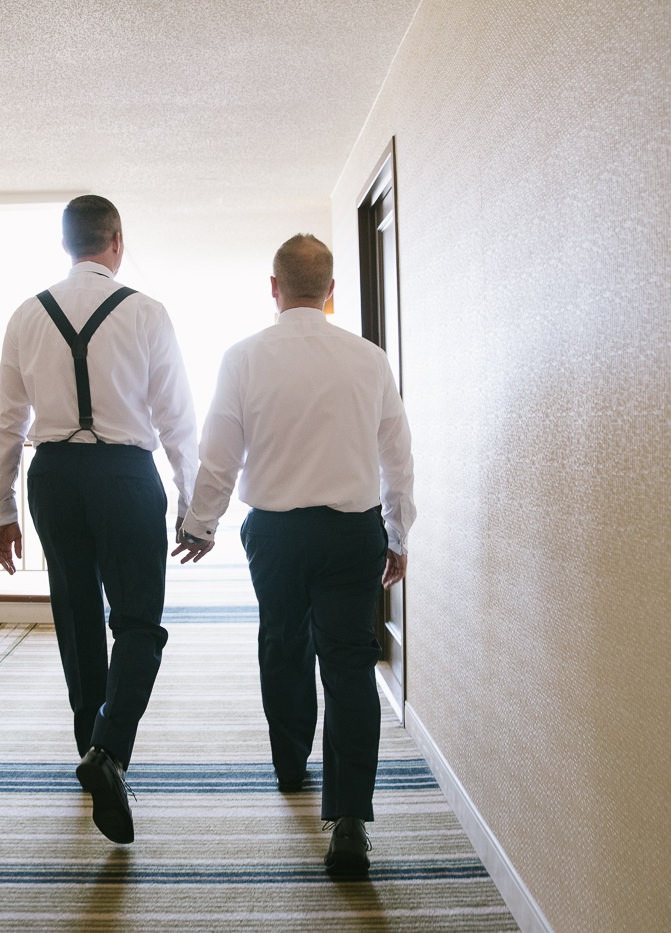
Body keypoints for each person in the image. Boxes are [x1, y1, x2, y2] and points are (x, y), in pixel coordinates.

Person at [173, 233, 414, 876]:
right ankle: (351, 821)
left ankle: (289, 765)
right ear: (331, 292)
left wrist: (200, 525)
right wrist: (398, 532)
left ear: (274, 289)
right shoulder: (368, 360)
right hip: (351, 534)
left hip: (276, 534)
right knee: (348, 661)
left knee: (282, 642)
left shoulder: (243, 357)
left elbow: (218, 454)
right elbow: (397, 456)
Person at [0, 195, 198, 845]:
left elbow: (4, 422)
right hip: (128, 477)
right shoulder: (147, 312)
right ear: (117, 241)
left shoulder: (27, 314)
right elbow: (177, 420)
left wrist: (1, 508)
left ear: (67, 243)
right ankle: (108, 752)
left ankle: (92, 749)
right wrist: (195, 506)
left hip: (53, 476)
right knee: (138, 622)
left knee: (78, 617)